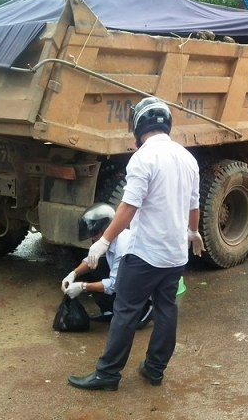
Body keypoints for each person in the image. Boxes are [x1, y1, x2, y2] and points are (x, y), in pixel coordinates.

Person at [68, 96, 202, 391]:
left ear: (138, 126)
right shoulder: (187, 158)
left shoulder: (143, 158)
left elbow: (128, 206)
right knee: (166, 309)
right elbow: (194, 207)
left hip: (144, 255)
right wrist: (193, 233)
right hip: (175, 255)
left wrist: (103, 241)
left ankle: (108, 374)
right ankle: (154, 369)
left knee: (126, 312)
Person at [60, 203, 152, 329]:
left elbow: (115, 284)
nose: (92, 239)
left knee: (128, 323)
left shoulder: (123, 247)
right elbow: (90, 260)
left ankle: (147, 308)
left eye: (95, 235)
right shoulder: (108, 241)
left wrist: (83, 286)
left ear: (107, 228)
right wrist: (73, 274)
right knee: (96, 266)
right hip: (128, 276)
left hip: (145, 285)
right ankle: (109, 310)